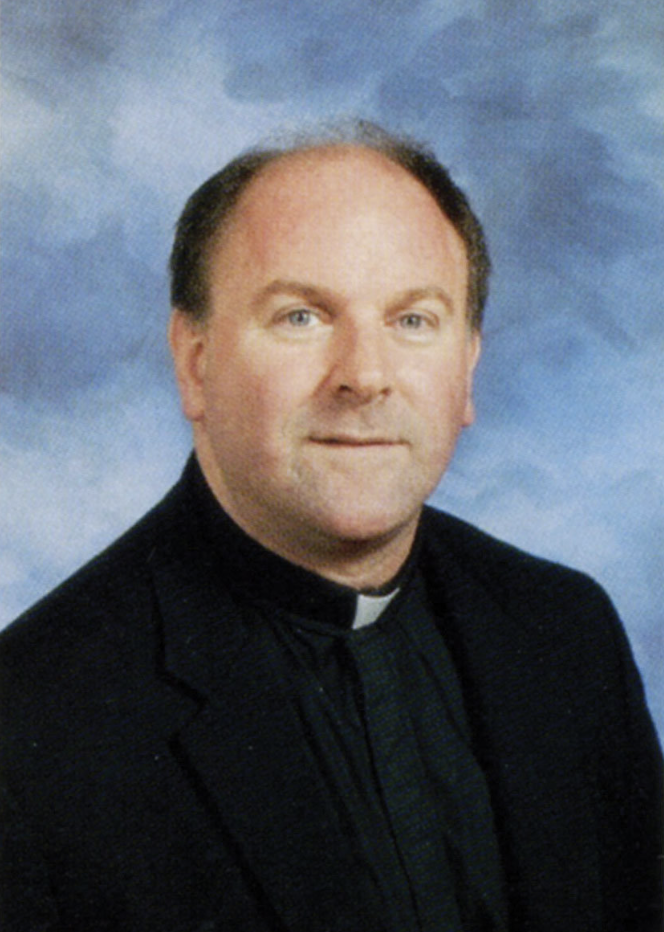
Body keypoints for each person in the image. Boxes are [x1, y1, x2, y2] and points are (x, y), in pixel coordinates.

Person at [1, 122, 661, 932]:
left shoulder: (565, 631)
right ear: (195, 361)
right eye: (302, 317)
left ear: (468, 368)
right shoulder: (30, 722)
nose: (365, 376)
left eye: (413, 320)